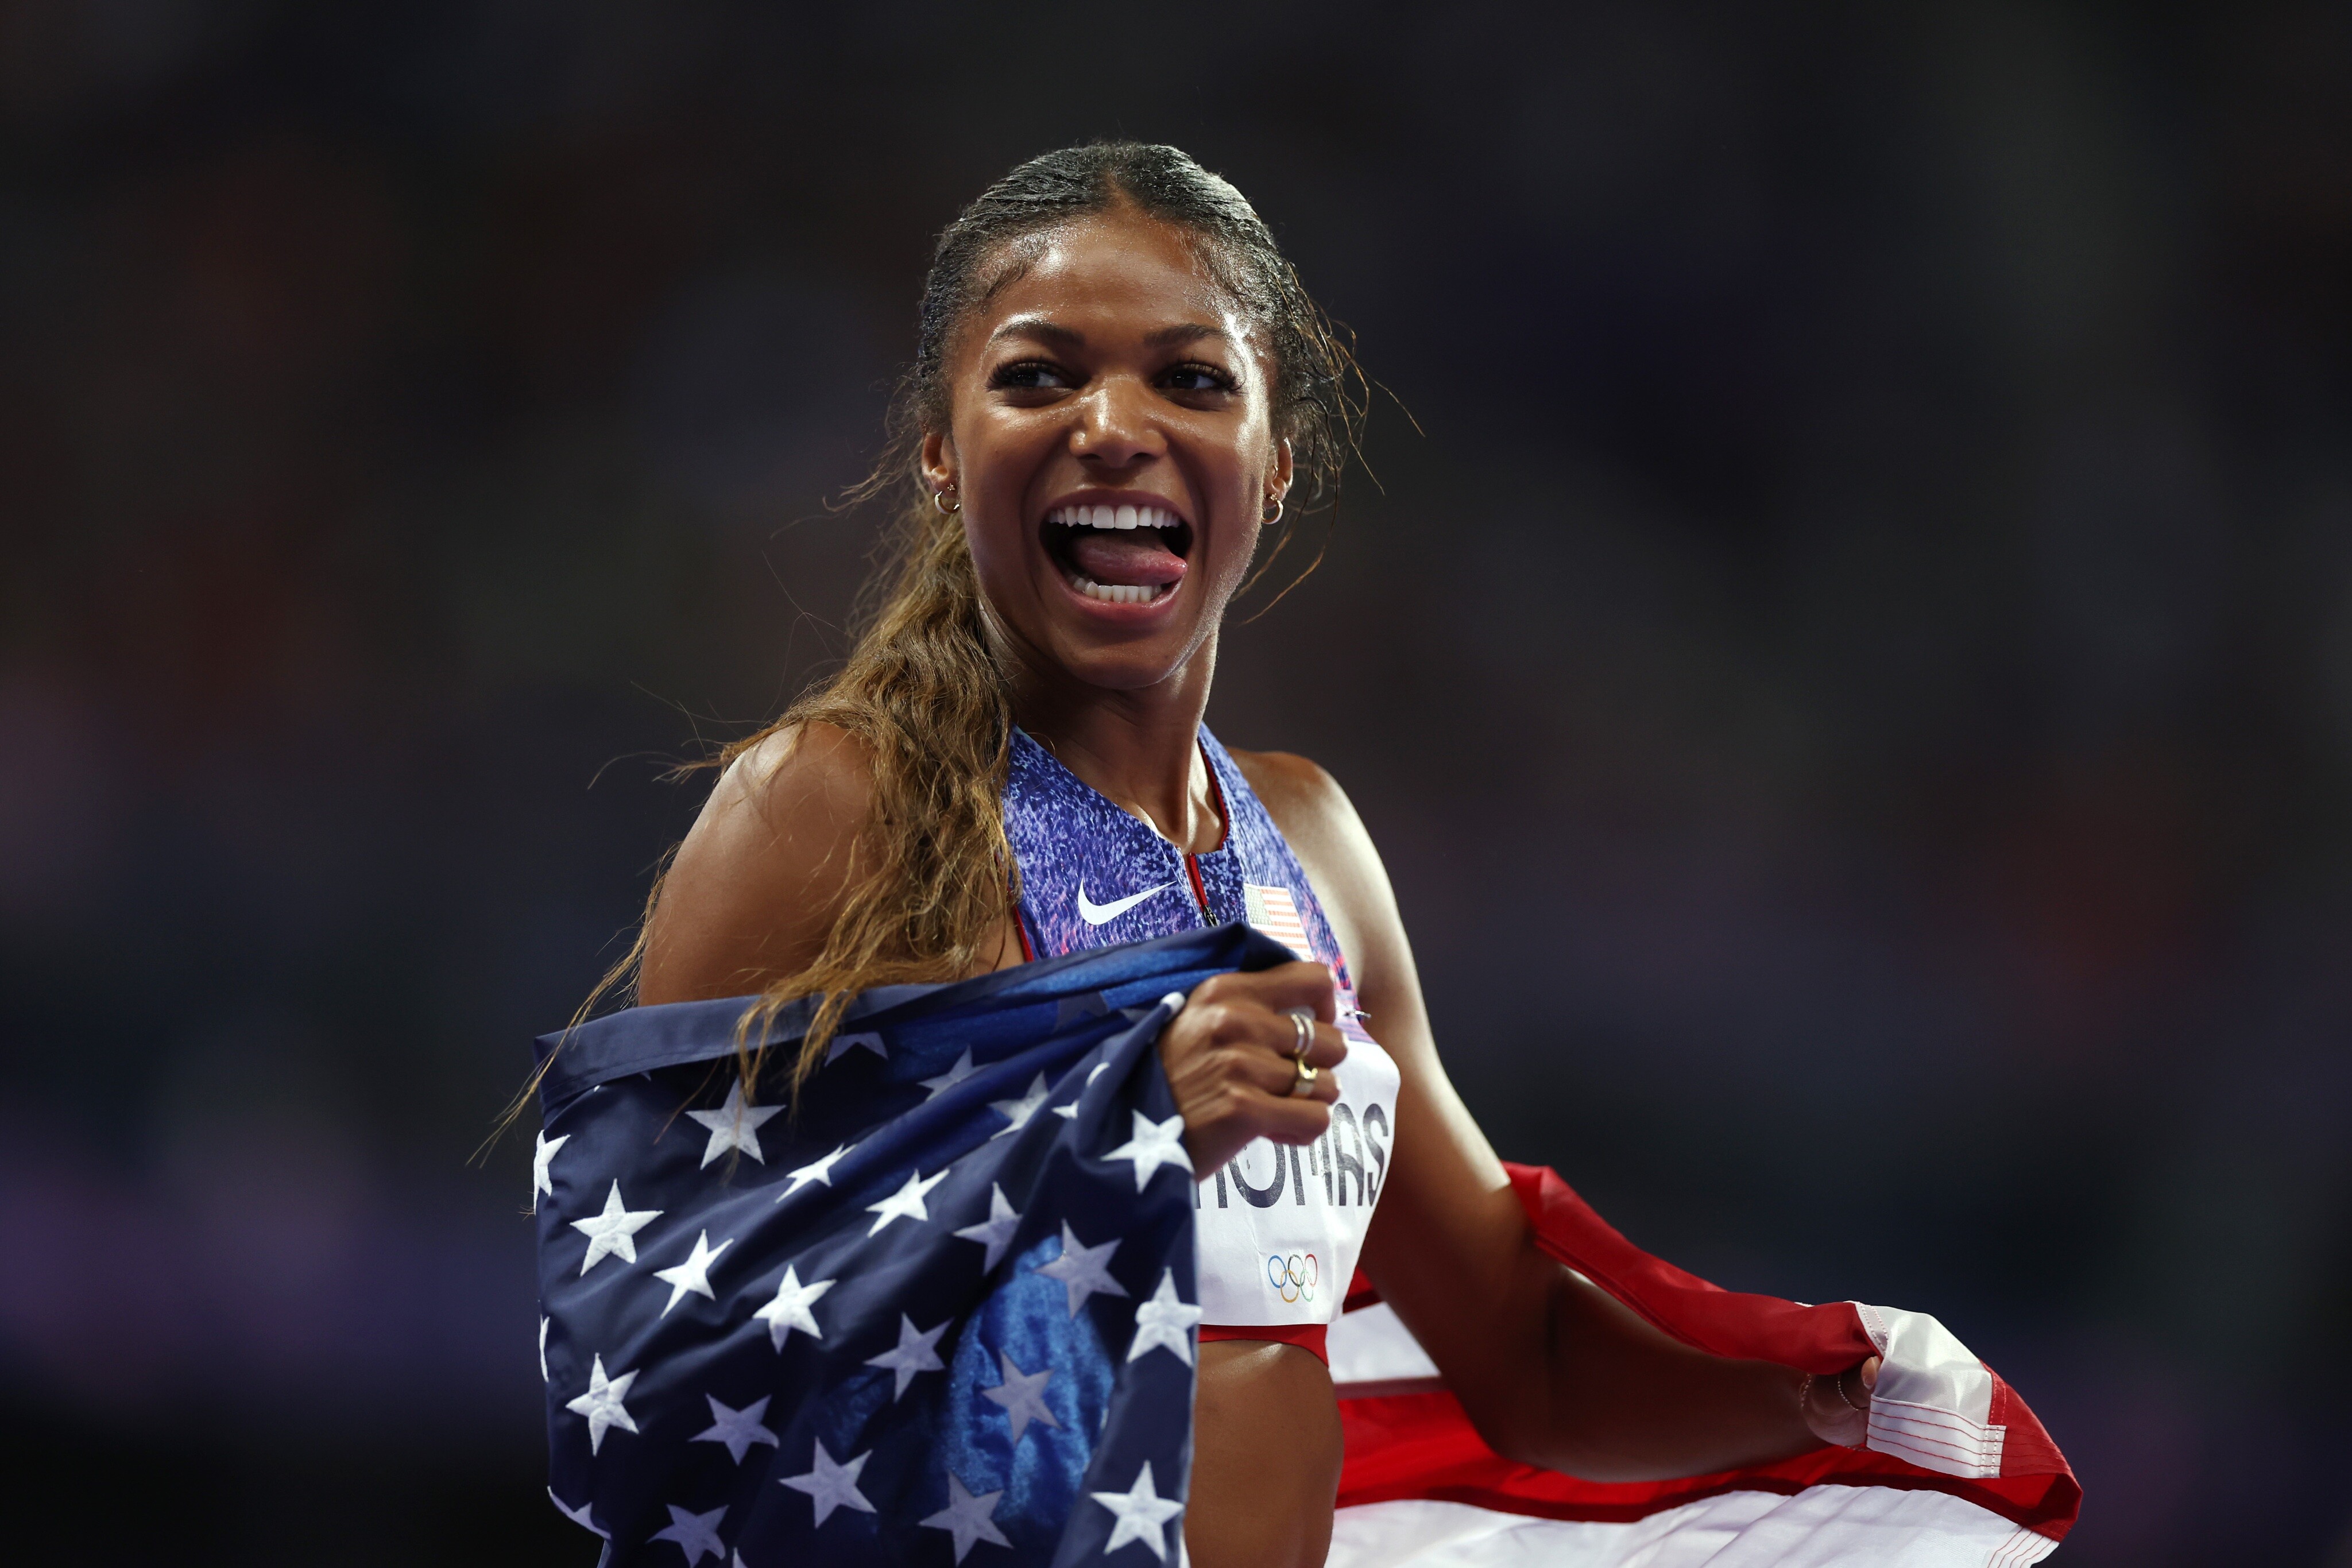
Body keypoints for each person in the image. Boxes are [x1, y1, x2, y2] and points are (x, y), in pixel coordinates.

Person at [630, 142, 1877, 1568]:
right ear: (939, 445)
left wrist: (1819, 1400)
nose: (1113, 425)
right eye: (1036, 376)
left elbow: (1524, 1352)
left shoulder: (1312, 851)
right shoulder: (825, 807)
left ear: (1274, 462)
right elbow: (653, 1349)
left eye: (1190, 377)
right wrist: (1109, 1132)